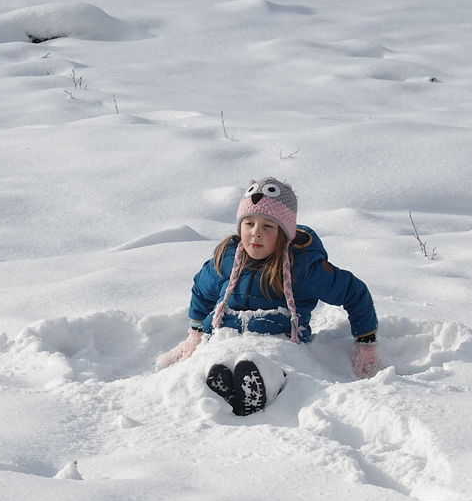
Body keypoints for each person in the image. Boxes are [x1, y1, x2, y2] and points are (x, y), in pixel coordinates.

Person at [158, 178, 386, 415]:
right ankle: (214, 391)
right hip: (224, 339)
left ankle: (258, 385)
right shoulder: (226, 258)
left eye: (268, 227)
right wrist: (196, 333)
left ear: (284, 234)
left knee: (263, 365)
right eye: (249, 224)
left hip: (278, 344)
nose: (255, 233)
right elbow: (201, 290)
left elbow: (354, 292)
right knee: (215, 364)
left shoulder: (303, 268)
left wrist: (365, 342)